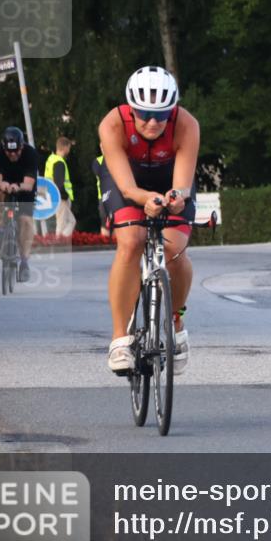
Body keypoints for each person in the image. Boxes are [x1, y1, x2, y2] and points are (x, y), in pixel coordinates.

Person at [98, 65, 199, 375]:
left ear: (173, 110)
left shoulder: (186, 124)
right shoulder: (113, 124)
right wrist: (145, 200)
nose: (153, 122)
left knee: (174, 250)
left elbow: (182, 184)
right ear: (131, 109)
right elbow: (127, 188)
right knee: (131, 241)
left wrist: (176, 198)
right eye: (144, 114)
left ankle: (176, 322)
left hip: (170, 180)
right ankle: (119, 338)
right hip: (126, 181)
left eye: (162, 115)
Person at [0, 126, 38, 282]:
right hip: (5, 182)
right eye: (9, 152)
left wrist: (18, 187)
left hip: (24, 185)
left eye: (16, 151)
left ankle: (24, 261)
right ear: (4, 148)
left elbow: (29, 185)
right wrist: (3, 186)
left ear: (22, 146)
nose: (13, 154)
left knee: (25, 220)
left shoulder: (30, 154)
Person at [44, 136, 76, 237]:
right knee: (65, 223)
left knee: (68, 222)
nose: (69, 150)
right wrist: (64, 195)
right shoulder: (59, 162)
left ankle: (60, 241)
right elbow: (59, 182)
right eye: (69, 147)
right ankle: (59, 243)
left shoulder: (51, 159)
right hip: (61, 198)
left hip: (53, 196)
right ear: (65, 147)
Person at [92, 154, 110, 237]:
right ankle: (105, 242)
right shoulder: (98, 161)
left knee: (118, 220)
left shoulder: (117, 157)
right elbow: (99, 174)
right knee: (104, 220)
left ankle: (116, 242)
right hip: (103, 195)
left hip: (117, 195)